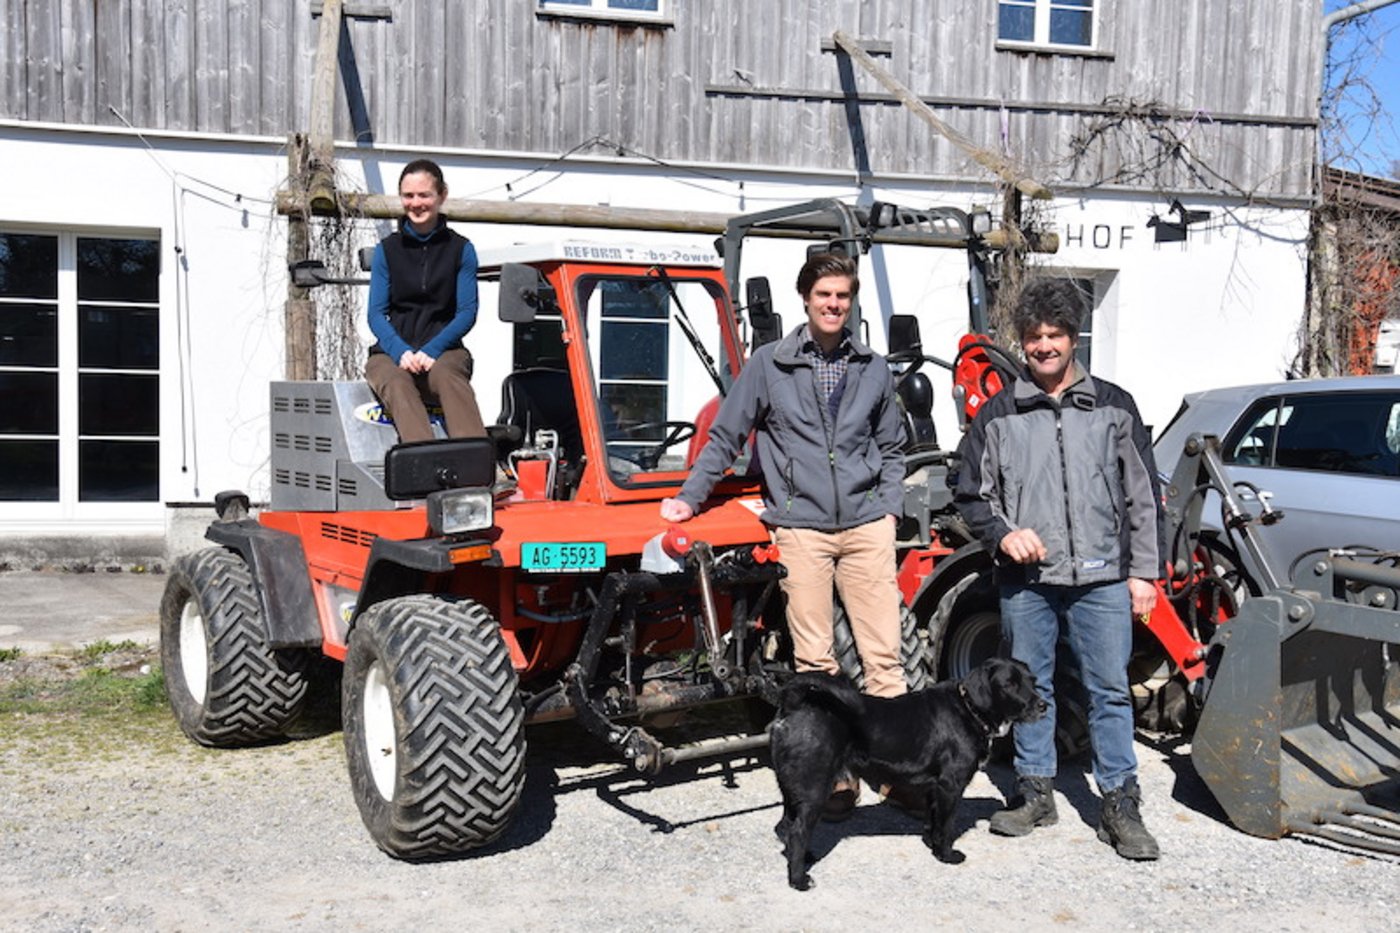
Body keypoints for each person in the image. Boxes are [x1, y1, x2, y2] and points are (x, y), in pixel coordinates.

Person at [659, 252, 908, 819]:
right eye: (824, 294)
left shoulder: (872, 367)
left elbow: (892, 447)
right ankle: (837, 778)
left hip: (867, 526)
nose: (833, 304)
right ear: (806, 298)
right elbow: (725, 436)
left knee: (883, 660)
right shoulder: (770, 365)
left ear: (851, 301)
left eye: (842, 295)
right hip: (802, 530)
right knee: (816, 665)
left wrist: (888, 507)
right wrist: (690, 497)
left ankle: (895, 773)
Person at [952, 278, 1165, 860]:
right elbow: (969, 492)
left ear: (1074, 338)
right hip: (1029, 583)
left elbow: (1143, 495)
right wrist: (1003, 535)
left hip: (1101, 577)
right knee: (1031, 689)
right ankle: (1035, 793)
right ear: (1023, 342)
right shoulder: (999, 413)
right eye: (1034, 337)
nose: (1045, 346)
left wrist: (1144, 573)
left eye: (1056, 335)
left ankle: (1120, 803)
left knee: (1110, 691)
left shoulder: (1114, 406)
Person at [364, 159, 487, 443]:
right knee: (396, 381)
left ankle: (476, 463)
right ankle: (422, 460)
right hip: (392, 354)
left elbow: (467, 312)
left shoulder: (461, 249)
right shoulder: (387, 250)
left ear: (441, 195)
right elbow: (375, 314)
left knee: (446, 375)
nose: (416, 203)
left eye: (424, 195)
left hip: (445, 351)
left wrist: (432, 349)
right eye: (408, 195)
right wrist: (400, 351)